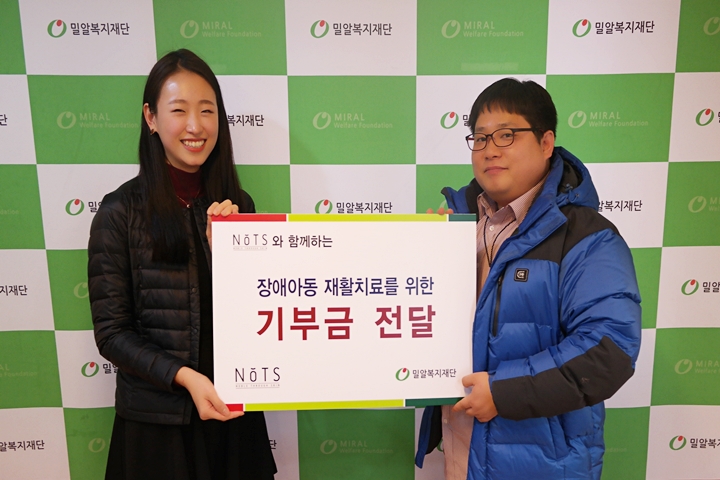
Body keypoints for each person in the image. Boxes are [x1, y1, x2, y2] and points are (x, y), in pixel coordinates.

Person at [416, 78, 641, 480]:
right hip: (461, 452)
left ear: (546, 142)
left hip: (541, 463)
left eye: (507, 135)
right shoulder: (459, 226)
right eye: (480, 138)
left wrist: (503, 392)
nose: (490, 149)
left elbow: (609, 350)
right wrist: (426, 258)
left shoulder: (587, 238)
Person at [88, 49, 277, 480]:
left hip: (233, 412)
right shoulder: (119, 212)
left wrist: (224, 255)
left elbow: (261, 313)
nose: (195, 126)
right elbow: (112, 334)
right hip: (158, 425)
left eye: (207, 110)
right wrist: (186, 378)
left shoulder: (238, 205)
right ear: (151, 118)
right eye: (179, 110)